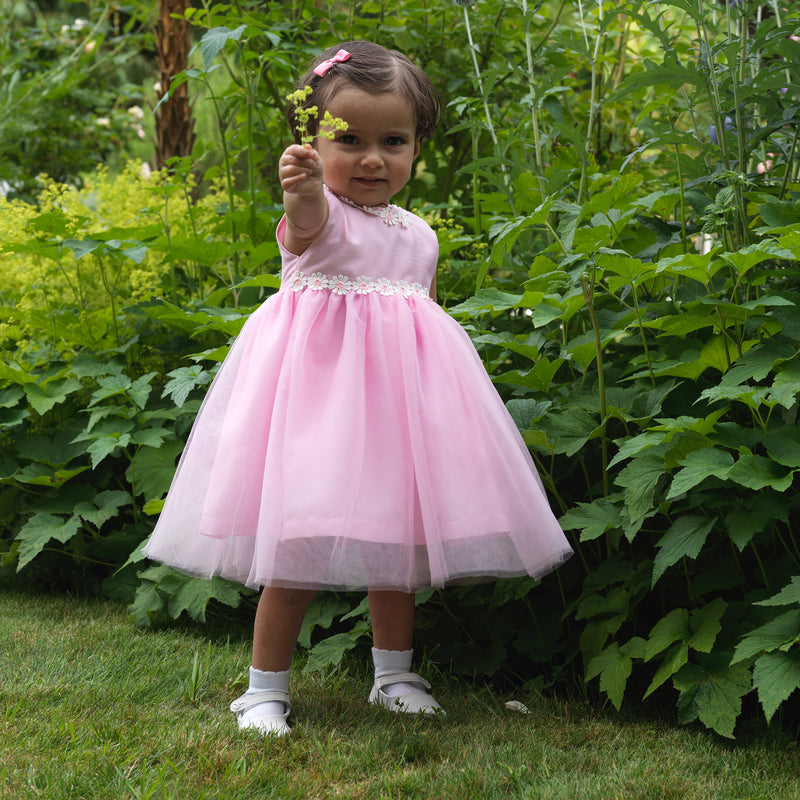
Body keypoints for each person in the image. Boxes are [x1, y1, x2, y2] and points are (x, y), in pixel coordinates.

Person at [142, 40, 572, 737]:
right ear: (312, 141)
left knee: (394, 548)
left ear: (417, 148)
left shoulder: (420, 234)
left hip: (397, 420)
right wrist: (302, 186)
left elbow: (421, 323)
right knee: (297, 547)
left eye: (393, 140)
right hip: (316, 417)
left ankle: (394, 673)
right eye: (348, 139)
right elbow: (305, 224)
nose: (372, 157)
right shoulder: (322, 218)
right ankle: (262, 689)